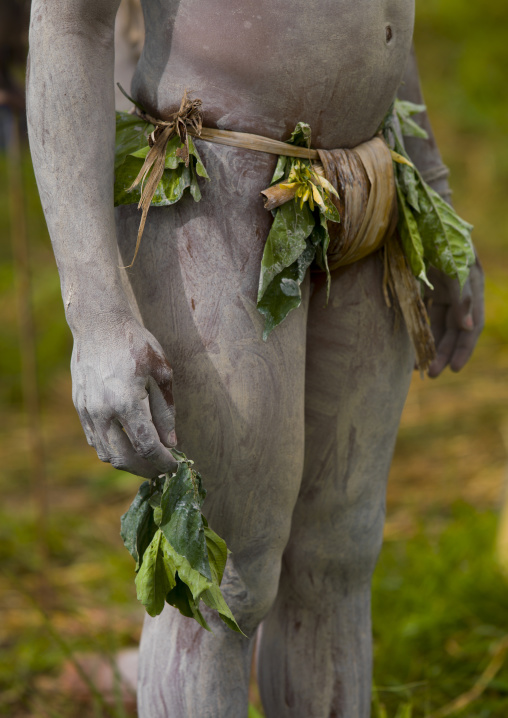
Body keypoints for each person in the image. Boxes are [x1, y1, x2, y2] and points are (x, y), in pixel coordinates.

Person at [27, 1, 484, 716]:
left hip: (367, 179)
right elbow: (67, 21)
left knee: (337, 559)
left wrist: (433, 185)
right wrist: (98, 313)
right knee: (221, 577)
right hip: (215, 177)